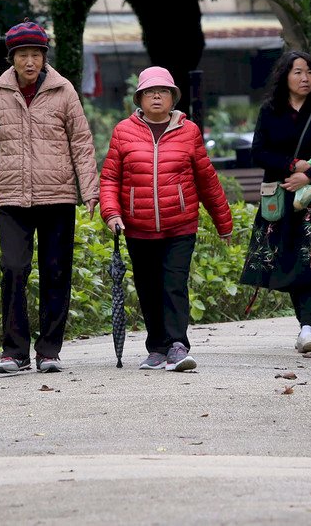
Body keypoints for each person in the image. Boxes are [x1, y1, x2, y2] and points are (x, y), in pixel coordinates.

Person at [0, 19, 100, 373]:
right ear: (12, 58)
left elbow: (82, 143)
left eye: (36, 54)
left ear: (44, 57)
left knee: (56, 271)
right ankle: (14, 351)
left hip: (57, 195)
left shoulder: (64, 91)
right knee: (14, 268)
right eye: (22, 55)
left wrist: (90, 190)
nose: (30, 61)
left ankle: (48, 351)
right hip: (11, 196)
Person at [100, 66, 233, 372]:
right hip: (138, 227)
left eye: (163, 92)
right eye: (149, 92)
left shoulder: (189, 132)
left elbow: (207, 180)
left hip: (180, 225)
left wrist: (223, 222)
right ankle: (157, 347)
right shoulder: (123, 131)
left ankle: (177, 345)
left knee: (174, 284)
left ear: (173, 97)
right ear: (140, 98)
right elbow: (110, 179)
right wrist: (112, 213)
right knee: (147, 288)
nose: (156, 96)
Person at [240, 50, 311, 353]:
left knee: (310, 262)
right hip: (280, 198)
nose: (305, 78)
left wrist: (309, 175)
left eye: (310, 72)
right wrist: (292, 166)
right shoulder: (270, 111)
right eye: (298, 71)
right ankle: (305, 326)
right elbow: (258, 152)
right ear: (285, 75)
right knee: (288, 260)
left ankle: (307, 328)